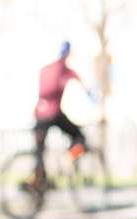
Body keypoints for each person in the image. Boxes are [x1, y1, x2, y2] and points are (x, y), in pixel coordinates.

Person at [33, 41, 92, 185]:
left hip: (39, 114)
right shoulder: (64, 69)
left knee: (39, 152)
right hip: (54, 113)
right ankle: (70, 156)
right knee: (79, 137)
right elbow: (83, 85)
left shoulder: (45, 69)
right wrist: (92, 96)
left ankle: (37, 180)